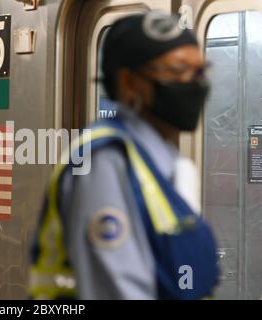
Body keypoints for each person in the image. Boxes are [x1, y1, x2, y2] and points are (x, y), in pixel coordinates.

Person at [30, 11, 219, 299]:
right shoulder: (104, 161)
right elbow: (119, 289)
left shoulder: (164, 163)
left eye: (200, 71)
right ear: (130, 82)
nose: (195, 84)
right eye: (178, 71)